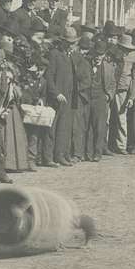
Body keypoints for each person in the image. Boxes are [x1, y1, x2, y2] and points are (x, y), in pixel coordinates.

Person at [44, 27, 77, 166]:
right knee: (51, 129)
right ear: (62, 41)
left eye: (72, 43)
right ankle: (48, 158)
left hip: (67, 98)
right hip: (56, 98)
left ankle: (60, 155)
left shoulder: (70, 56)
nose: (70, 45)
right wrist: (56, 93)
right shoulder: (54, 54)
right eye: (68, 42)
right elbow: (49, 77)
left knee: (63, 128)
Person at [110, 33, 135, 154]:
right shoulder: (112, 52)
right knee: (107, 118)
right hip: (110, 87)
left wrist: (132, 96)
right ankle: (105, 144)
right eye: (123, 48)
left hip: (123, 89)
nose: (125, 51)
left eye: (127, 49)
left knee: (121, 117)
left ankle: (121, 145)